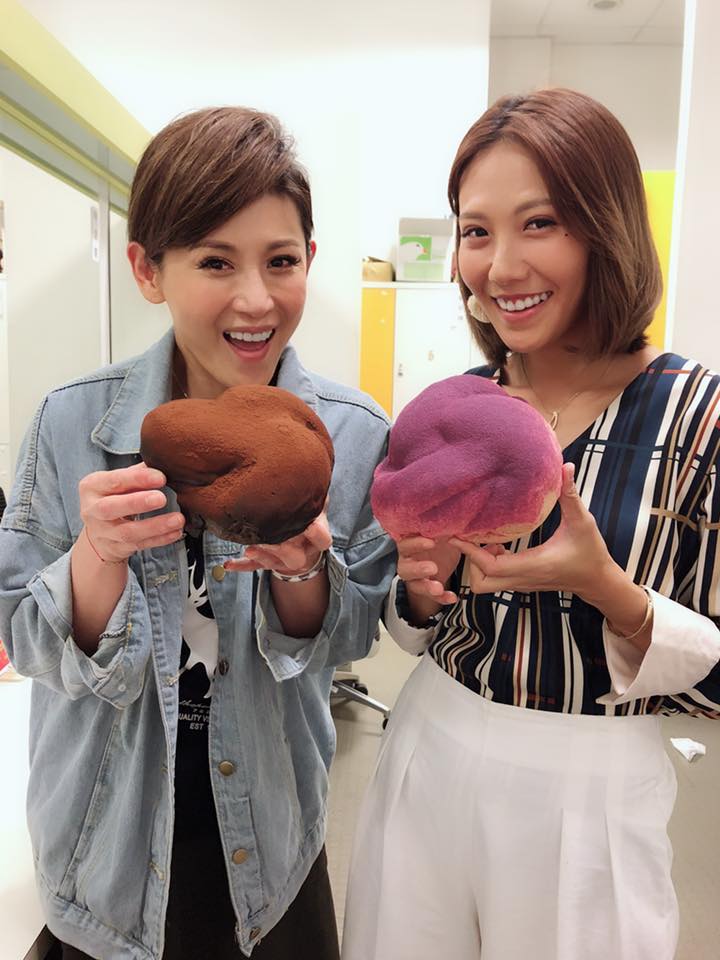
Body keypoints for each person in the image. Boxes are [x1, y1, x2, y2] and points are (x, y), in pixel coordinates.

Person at [0, 107, 395, 960]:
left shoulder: (352, 433)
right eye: (216, 261)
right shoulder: (72, 422)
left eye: (280, 261)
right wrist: (98, 554)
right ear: (148, 269)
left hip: (274, 837)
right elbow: (24, 641)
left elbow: (352, 635)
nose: (256, 299)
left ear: (310, 260)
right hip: (102, 843)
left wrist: (303, 572)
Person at [342, 88, 720, 960]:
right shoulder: (462, 405)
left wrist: (609, 590)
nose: (501, 266)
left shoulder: (695, 415)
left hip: (589, 786)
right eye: (476, 231)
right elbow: (414, 629)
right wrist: (422, 589)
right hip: (428, 745)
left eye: (539, 222)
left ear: (606, 228)